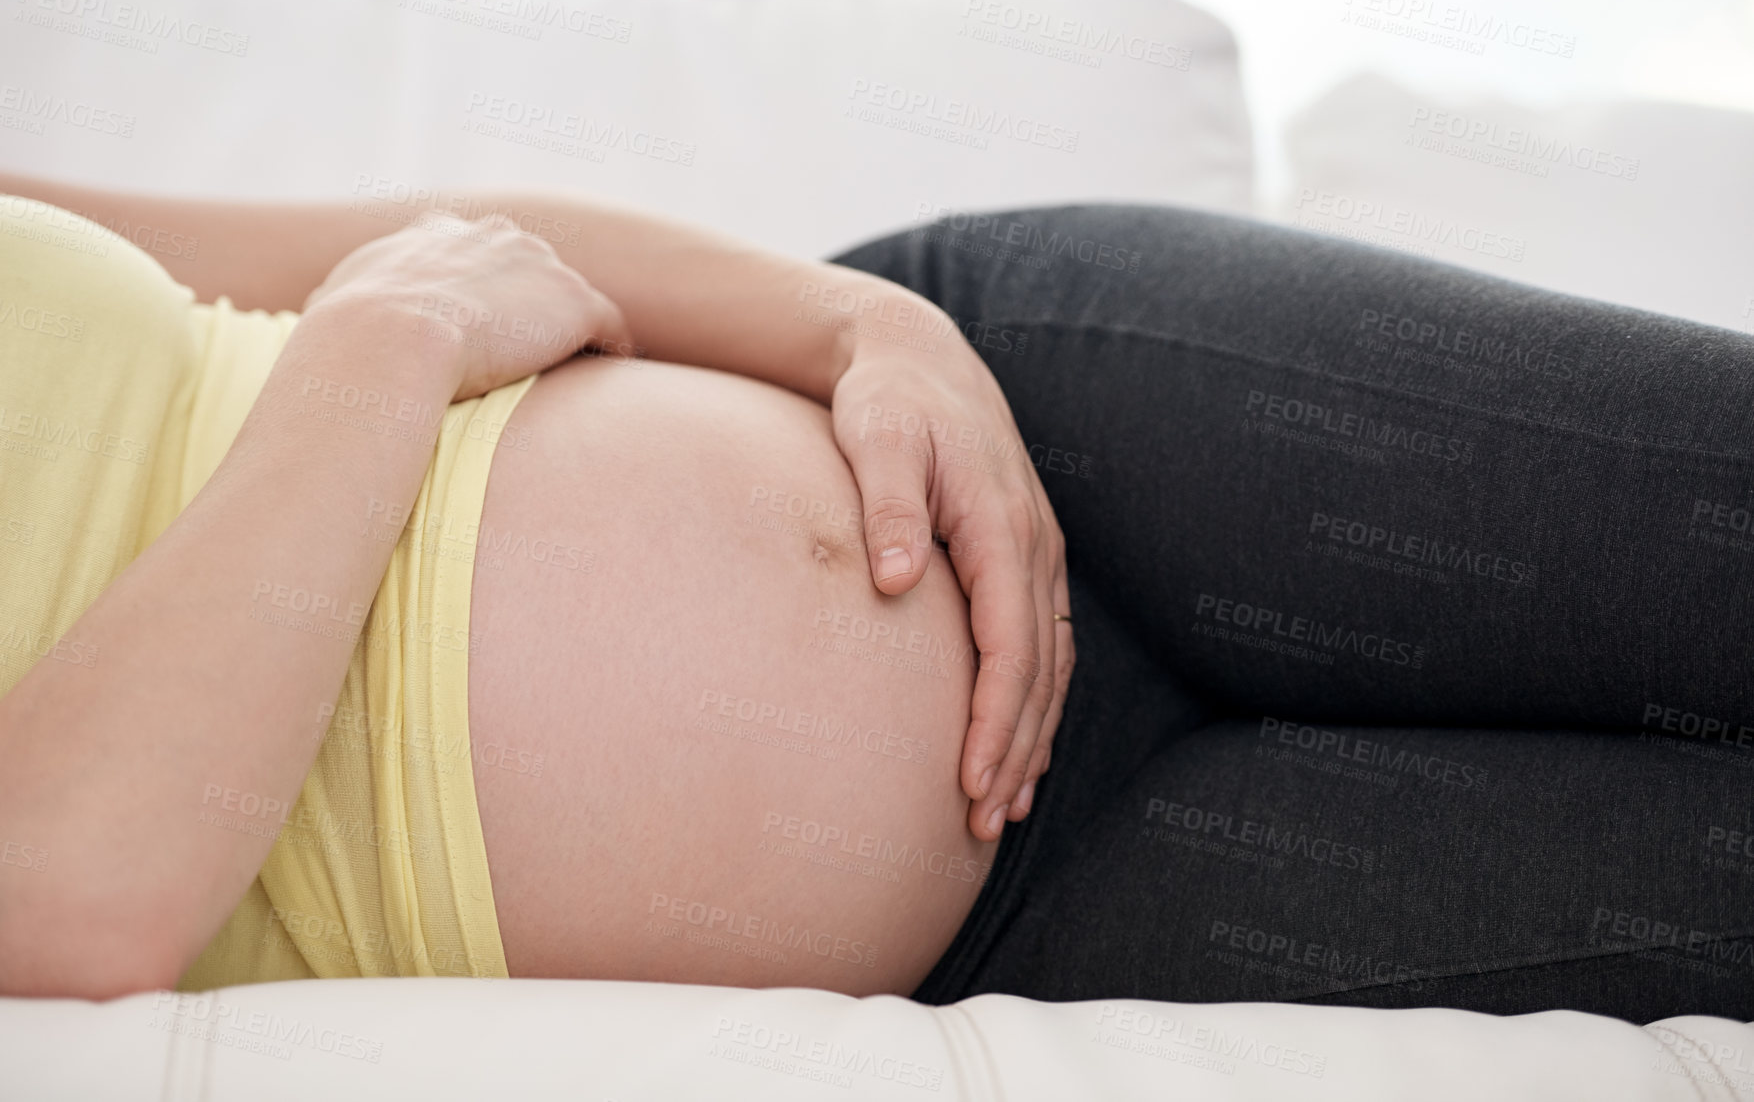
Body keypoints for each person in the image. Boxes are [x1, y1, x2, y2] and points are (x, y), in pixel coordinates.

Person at [0, 175, 1749, 1027]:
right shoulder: (391, 358)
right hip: (1013, 925)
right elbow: (75, 901)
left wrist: (869, 331)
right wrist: (389, 348)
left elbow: (437, 240)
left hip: (1045, 412)